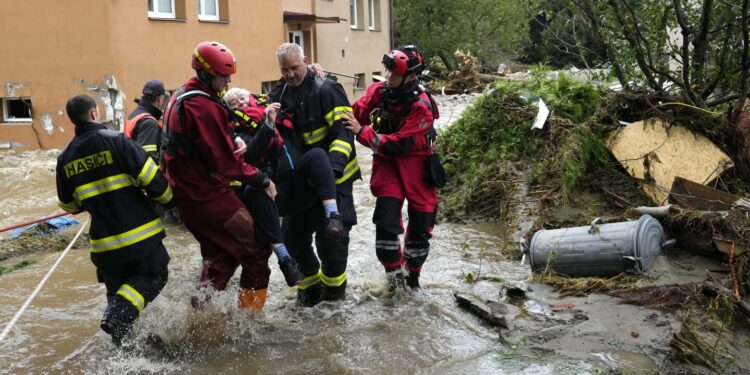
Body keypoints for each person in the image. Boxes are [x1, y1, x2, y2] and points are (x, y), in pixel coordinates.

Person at [161, 41, 274, 311]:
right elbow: (225, 164)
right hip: (205, 194)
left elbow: (202, 142)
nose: (228, 81)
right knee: (257, 247)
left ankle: (200, 313)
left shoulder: (182, 94)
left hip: (187, 194)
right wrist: (262, 179)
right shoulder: (203, 105)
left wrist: (232, 138)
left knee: (220, 252)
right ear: (206, 73)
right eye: (224, 76)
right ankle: (249, 320)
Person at [56, 94, 174, 346]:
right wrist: (169, 200)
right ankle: (118, 316)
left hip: (104, 247)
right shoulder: (117, 141)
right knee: (155, 275)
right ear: (94, 114)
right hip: (140, 236)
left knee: (117, 292)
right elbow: (152, 178)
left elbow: (69, 205)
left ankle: (122, 352)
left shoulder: (64, 158)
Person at [269, 43, 360, 306]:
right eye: (284, 70)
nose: (290, 74)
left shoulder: (327, 89)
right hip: (301, 182)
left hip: (335, 179)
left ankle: (334, 298)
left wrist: (330, 171)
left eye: (295, 68)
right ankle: (309, 292)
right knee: (293, 239)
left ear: (306, 61)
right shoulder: (281, 92)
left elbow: (344, 135)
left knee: (332, 241)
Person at [343, 46, 440, 291]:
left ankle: (413, 276)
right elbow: (356, 113)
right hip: (387, 166)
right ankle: (394, 278)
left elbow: (398, 145)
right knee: (385, 224)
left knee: (420, 227)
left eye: (394, 75)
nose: (388, 78)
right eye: (387, 72)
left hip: (417, 164)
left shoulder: (422, 106)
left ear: (411, 77)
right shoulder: (380, 91)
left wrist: (362, 132)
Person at [124, 80, 165, 161]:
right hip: (145, 172)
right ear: (160, 99)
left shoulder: (134, 115)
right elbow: (147, 159)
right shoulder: (149, 123)